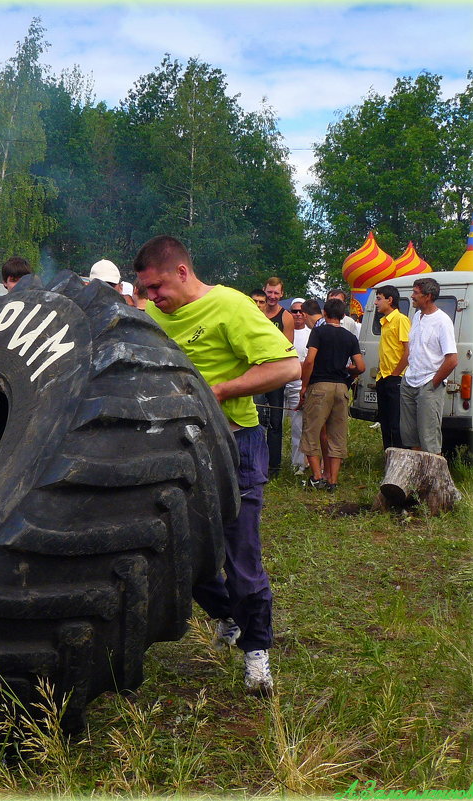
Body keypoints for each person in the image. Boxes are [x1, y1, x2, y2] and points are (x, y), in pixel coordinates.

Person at [134, 235, 299, 695]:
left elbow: (287, 366)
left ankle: (257, 652)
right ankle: (227, 614)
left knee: (241, 556)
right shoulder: (148, 317)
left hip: (234, 445)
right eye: (145, 291)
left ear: (182, 272)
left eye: (157, 288)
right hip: (173, 448)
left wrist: (220, 392)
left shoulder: (230, 306)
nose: (151, 298)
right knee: (172, 554)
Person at [299, 298, 365, 491]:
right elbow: (360, 366)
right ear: (343, 316)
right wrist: (347, 370)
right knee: (337, 435)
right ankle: (333, 481)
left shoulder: (318, 332)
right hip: (341, 388)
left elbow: (310, 360)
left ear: (325, 314)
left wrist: (304, 386)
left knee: (311, 431)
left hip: (320, 386)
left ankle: (317, 477)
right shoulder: (350, 337)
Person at [400, 277, 458, 455]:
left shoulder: (442, 321)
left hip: (428, 384)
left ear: (428, 296)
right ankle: (416, 478)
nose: (412, 296)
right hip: (410, 382)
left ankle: (434, 481)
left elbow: (452, 359)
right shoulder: (417, 316)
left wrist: (433, 383)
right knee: (411, 437)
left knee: (429, 439)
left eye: (416, 293)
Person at [257, 277, 294, 478]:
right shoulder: (254, 314)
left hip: (275, 376)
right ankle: (254, 463)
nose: (272, 297)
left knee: (275, 423)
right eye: (269, 292)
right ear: (264, 291)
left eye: (276, 293)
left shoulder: (285, 317)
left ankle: (274, 467)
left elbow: (287, 348)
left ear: (281, 294)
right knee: (253, 421)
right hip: (255, 373)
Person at [374, 285, 411, 450]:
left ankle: (400, 458)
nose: (376, 302)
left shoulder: (401, 319)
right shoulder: (384, 322)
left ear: (390, 300)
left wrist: (395, 374)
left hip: (395, 377)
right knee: (385, 422)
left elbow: (408, 350)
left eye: (379, 298)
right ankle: (388, 459)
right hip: (383, 377)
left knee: (396, 423)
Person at [285, 298, 310, 473]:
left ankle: (299, 464)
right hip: (280, 384)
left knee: (298, 428)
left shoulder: (311, 334)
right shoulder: (284, 332)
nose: (298, 314)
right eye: (294, 311)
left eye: (301, 311)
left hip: (299, 386)